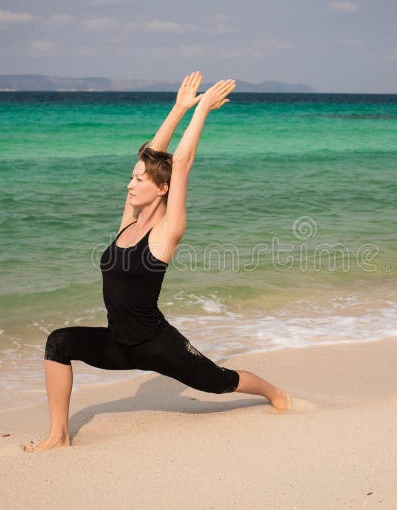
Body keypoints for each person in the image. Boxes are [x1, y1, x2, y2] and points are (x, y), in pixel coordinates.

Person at [24, 72, 291, 452]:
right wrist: (177, 107)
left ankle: (273, 392)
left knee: (219, 381)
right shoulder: (128, 223)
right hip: (119, 342)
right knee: (58, 343)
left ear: (161, 189)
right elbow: (152, 157)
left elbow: (178, 164)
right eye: (131, 178)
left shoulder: (166, 234)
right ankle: (58, 435)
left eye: (138, 180)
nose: (130, 184)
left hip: (156, 345)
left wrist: (200, 111)